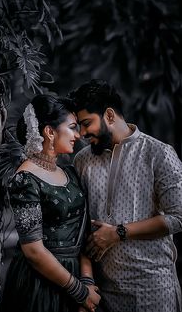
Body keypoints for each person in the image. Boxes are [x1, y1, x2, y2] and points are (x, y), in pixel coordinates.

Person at [69, 79, 182, 312]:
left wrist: (118, 233)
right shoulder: (82, 160)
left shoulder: (158, 154)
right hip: (105, 295)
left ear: (109, 115)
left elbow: (178, 217)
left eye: (86, 123)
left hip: (153, 290)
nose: (81, 133)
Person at [0, 94, 101, 312]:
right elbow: (34, 251)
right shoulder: (25, 179)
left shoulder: (71, 173)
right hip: (41, 283)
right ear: (49, 131)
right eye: (72, 127)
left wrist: (88, 283)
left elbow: (84, 232)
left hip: (80, 276)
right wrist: (79, 292)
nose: (78, 135)